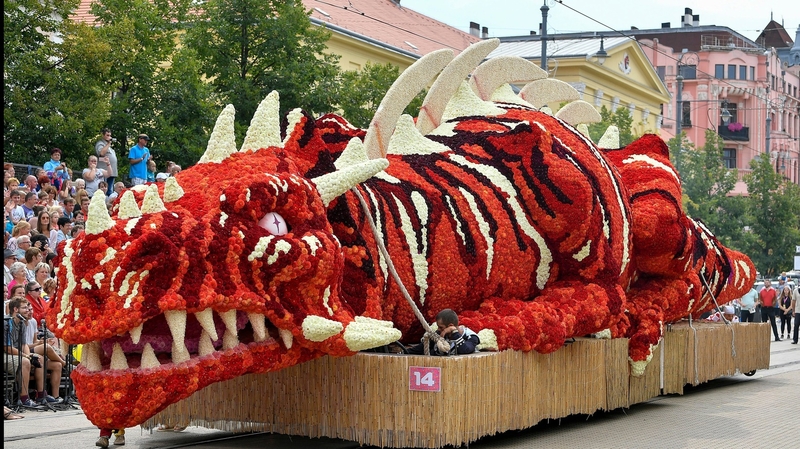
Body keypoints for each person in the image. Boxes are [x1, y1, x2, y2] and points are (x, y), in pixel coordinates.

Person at [3, 297, 48, 407]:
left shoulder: (22, 323)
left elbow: (23, 345)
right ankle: (24, 398)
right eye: (24, 308)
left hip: (16, 353)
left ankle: (41, 395)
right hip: (6, 354)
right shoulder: (6, 323)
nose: (28, 310)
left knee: (39, 358)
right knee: (25, 362)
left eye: (28, 308)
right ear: (15, 309)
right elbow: (7, 347)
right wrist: (26, 357)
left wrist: (29, 356)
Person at [407, 309, 480, 355]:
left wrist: (454, 332)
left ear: (450, 325)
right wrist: (404, 352)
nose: (438, 329)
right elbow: (421, 348)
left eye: (441, 327)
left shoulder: (471, 337)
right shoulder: (440, 333)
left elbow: (465, 350)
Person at [95, 128, 118, 196]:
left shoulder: (109, 147)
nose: (109, 137)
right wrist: (108, 144)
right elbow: (101, 154)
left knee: (110, 190)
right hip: (104, 171)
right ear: (103, 135)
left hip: (112, 172)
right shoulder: (100, 144)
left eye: (110, 135)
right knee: (104, 189)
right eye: (107, 135)